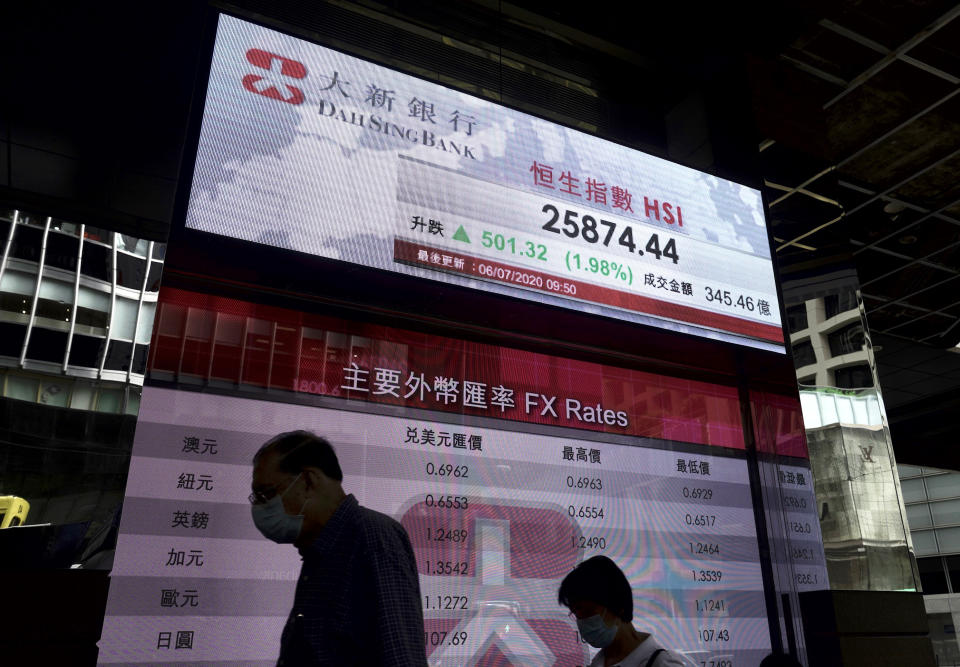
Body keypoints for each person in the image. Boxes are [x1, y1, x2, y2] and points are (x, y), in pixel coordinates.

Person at [250, 430, 428, 666]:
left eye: (266, 494)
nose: (260, 507)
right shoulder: (319, 550)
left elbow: (401, 657)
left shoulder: (373, 537)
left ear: (308, 481)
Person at [559, 555, 687, 667]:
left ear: (617, 603)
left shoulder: (662, 663)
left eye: (587, 611)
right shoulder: (598, 662)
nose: (582, 622)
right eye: (576, 614)